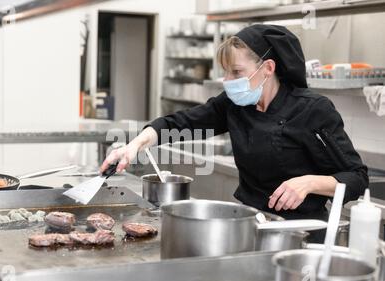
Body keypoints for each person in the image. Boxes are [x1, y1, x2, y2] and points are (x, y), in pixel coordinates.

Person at [100, 24, 368, 243]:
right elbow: (178, 124)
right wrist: (134, 145)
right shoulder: (235, 105)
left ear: (268, 68)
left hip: (303, 235)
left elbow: (357, 178)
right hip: (248, 225)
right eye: (226, 73)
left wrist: (309, 182)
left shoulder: (313, 109)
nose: (227, 82)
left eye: (236, 72)